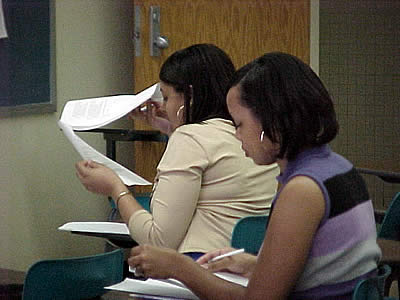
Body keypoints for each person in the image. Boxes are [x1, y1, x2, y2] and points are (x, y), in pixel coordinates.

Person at [127, 52, 382, 299]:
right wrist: (255, 265)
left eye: (239, 124)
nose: (236, 135)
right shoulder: (337, 167)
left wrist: (179, 267)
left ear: (271, 120)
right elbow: (321, 268)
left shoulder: (303, 189)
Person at [75, 44, 279, 260]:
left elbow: (158, 240)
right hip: (251, 267)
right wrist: (170, 127)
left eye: (166, 97)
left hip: (203, 268)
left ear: (188, 96)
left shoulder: (190, 139)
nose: (164, 106)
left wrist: (116, 189)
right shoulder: (253, 135)